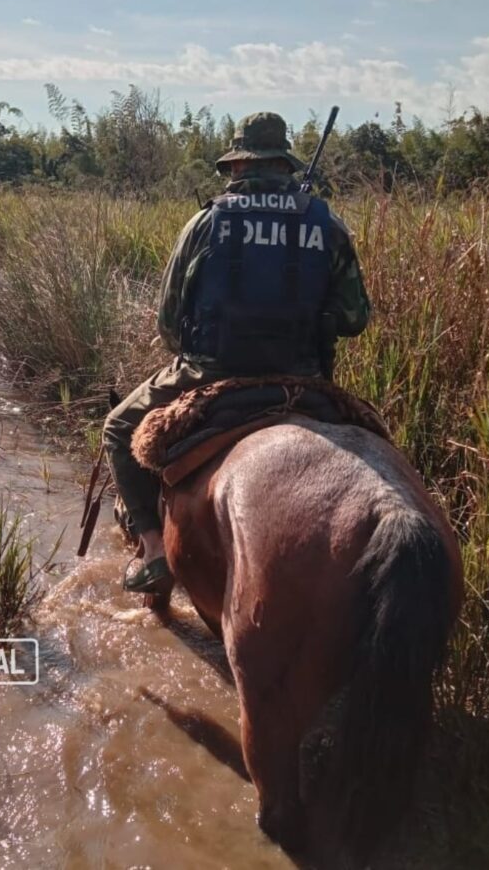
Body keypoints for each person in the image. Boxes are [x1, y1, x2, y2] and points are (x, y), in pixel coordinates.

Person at [103, 111, 371, 593]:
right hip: (303, 378)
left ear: (237, 166)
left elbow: (169, 323)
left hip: (209, 373)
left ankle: (154, 550)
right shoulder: (326, 222)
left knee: (119, 426)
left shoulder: (206, 222)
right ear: (284, 163)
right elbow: (355, 320)